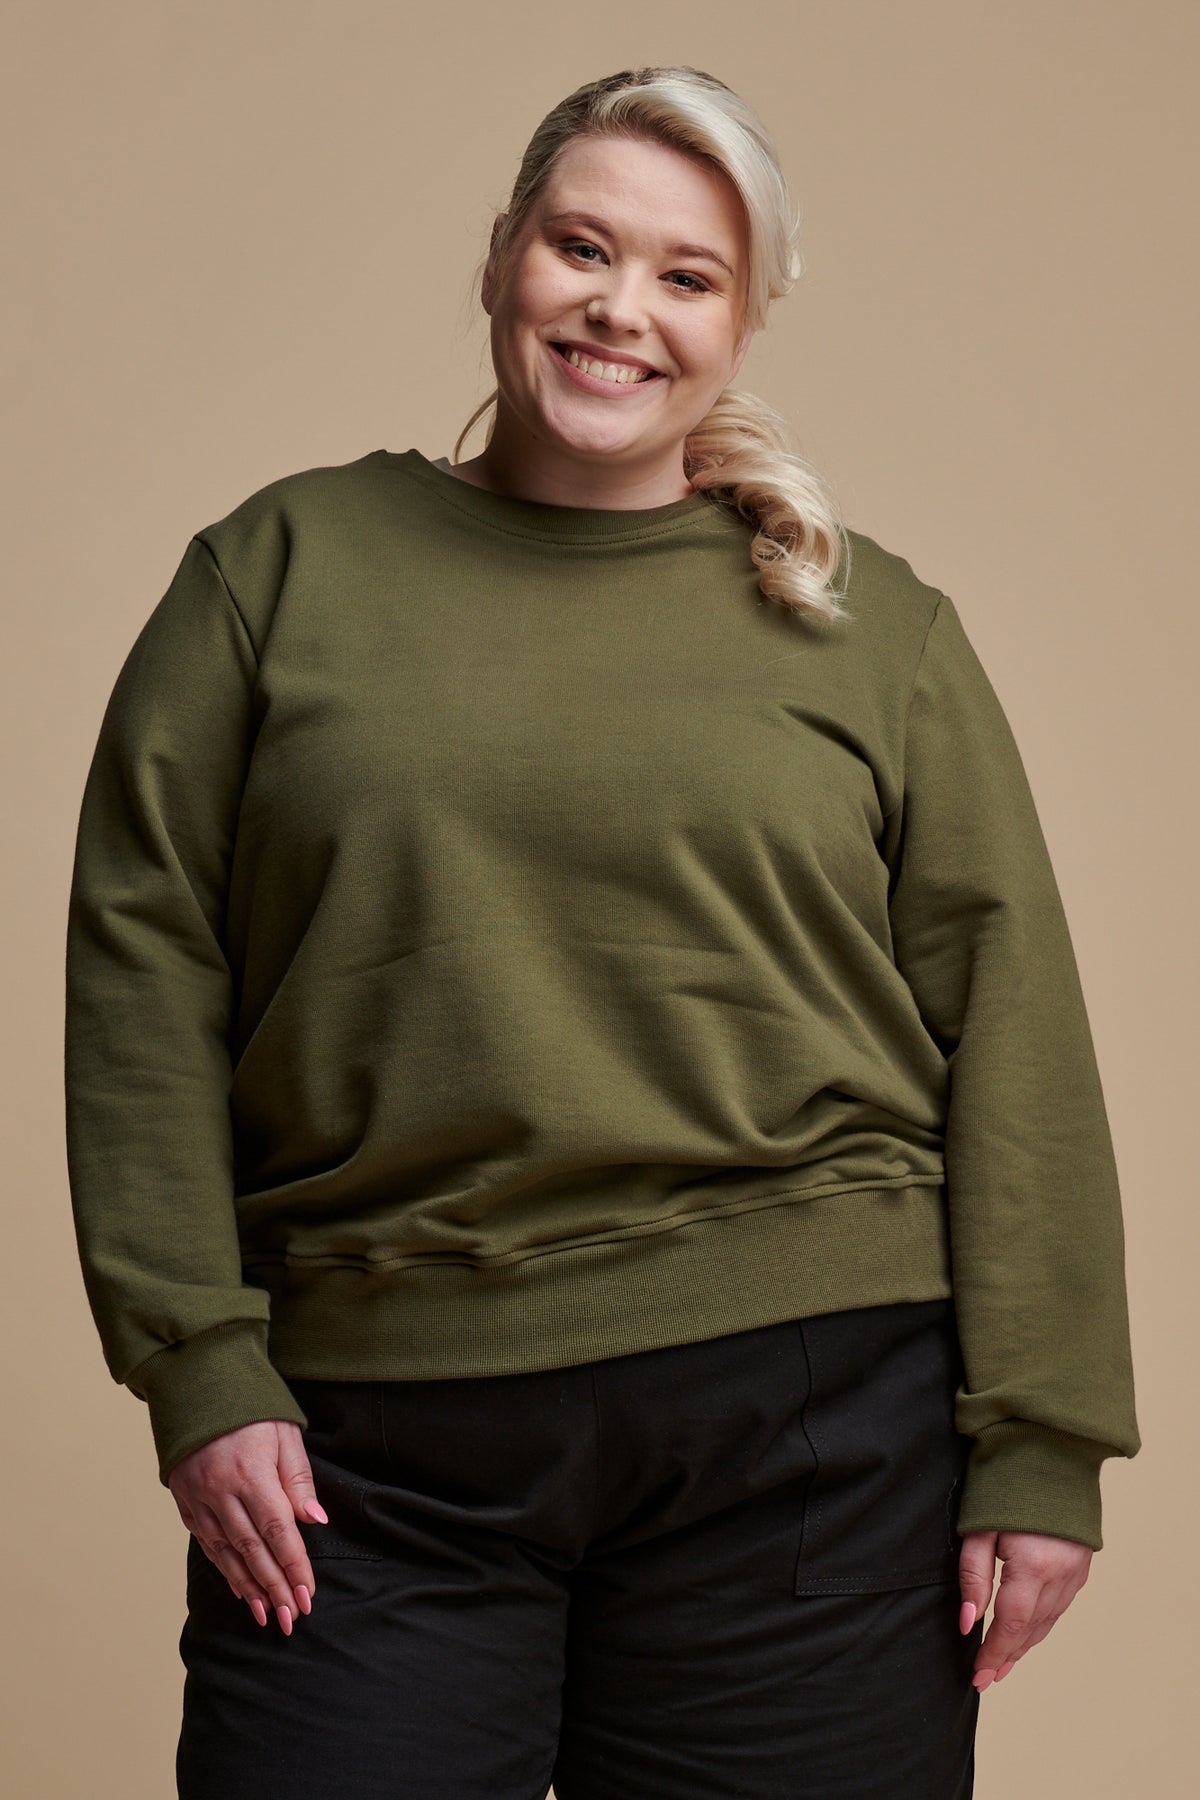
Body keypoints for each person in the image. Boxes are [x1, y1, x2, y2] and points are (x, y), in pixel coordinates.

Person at [64, 65, 1140, 1800]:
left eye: (686, 274)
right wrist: (200, 1363)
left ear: (744, 318)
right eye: (582, 246)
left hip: (815, 1436)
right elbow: (141, 973)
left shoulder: (874, 634)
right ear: (502, 259)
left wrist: (1042, 1443)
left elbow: (1015, 1032)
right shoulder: (278, 573)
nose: (618, 308)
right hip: (374, 1446)